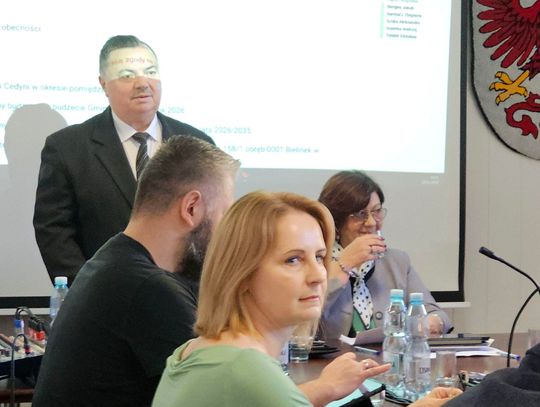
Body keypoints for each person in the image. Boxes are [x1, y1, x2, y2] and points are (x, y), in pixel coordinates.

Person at [32, 136, 240, 407]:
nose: (227, 233)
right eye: (224, 214)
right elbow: (227, 397)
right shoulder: (146, 289)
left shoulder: (114, 261)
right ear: (191, 208)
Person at [152, 191, 391, 407]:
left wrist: (325, 387)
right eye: (293, 260)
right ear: (241, 273)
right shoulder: (246, 368)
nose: (319, 275)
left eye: (319, 257)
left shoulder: (195, 350)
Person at [33, 35, 213, 284]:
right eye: (127, 75)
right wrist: (88, 291)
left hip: (187, 294)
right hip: (105, 294)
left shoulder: (197, 143)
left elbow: (212, 225)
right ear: (104, 84)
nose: (142, 83)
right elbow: (54, 232)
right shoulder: (68, 148)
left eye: (150, 72)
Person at [318, 170, 451, 340]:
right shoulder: (317, 262)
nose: (372, 222)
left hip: (390, 354)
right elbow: (302, 319)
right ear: (337, 220)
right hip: (333, 356)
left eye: (377, 211)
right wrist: (344, 264)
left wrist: (433, 322)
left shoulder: (397, 262)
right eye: (360, 214)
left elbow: (435, 313)